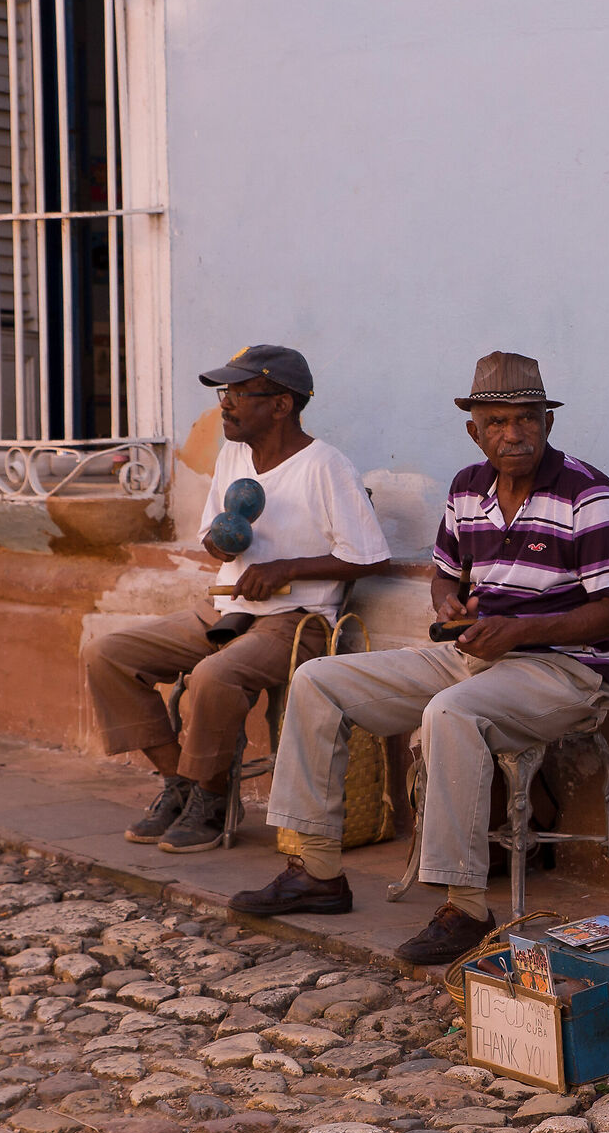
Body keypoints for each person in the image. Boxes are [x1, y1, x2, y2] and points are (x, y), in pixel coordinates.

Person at [231, 352, 609, 963]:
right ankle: (315, 871)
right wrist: (451, 607)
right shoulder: (467, 487)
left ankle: (465, 908)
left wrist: (518, 634)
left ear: (548, 424)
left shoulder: (586, 492)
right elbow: (446, 577)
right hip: (476, 657)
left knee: (450, 713)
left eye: (527, 419)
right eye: (496, 422)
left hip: (563, 670)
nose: (513, 433)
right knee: (318, 679)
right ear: (473, 430)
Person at [83, 345, 390, 854]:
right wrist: (221, 542)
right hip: (227, 611)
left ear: (281, 405)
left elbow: (370, 557)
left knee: (213, 677)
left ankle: (213, 792)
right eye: (225, 393)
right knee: (108, 654)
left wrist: (286, 568)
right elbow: (211, 537)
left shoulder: (325, 465)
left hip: (296, 621)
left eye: (239, 394)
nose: (224, 405)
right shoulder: (233, 455)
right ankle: (180, 782)